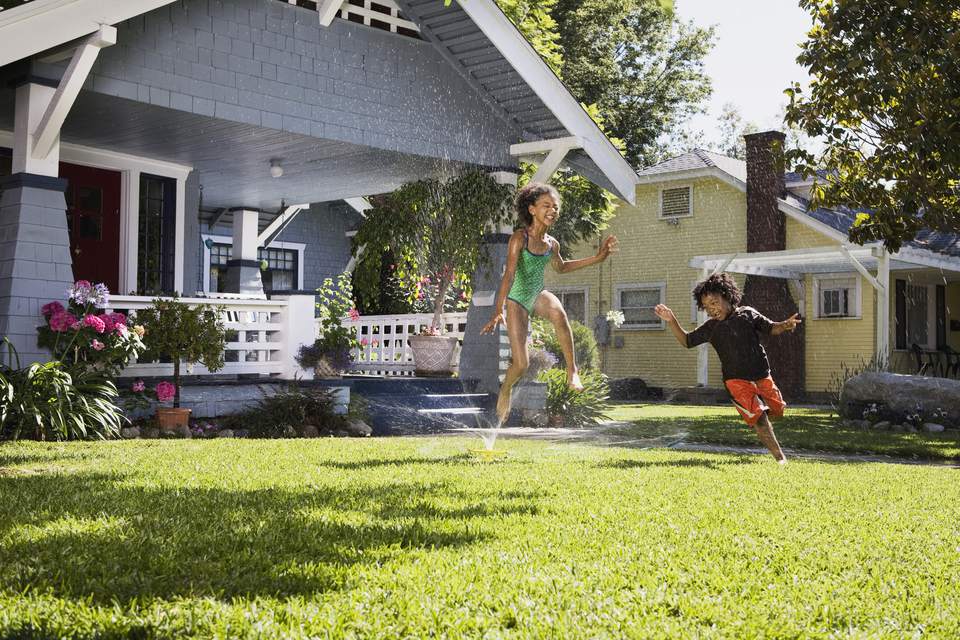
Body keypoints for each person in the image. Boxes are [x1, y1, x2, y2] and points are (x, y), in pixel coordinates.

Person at [481, 182, 618, 424]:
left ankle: (572, 371)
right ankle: (506, 389)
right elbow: (510, 275)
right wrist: (497, 310)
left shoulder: (552, 244)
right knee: (521, 364)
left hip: (537, 292)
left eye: (555, 207)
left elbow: (561, 267)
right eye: (546, 205)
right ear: (532, 209)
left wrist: (598, 258)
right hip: (516, 299)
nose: (552, 210)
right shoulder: (519, 238)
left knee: (559, 314)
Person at [653, 272, 801, 463]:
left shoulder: (748, 314)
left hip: (761, 375)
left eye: (714, 303)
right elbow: (687, 341)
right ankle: (780, 458)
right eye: (706, 307)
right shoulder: (711, 327)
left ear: (727, 296)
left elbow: (771, 327)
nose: (711, 310)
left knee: (778, 411)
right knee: (760, 418)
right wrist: (672, 320)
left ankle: (757, 419)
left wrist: (785, 325)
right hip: (736, 381)